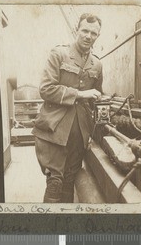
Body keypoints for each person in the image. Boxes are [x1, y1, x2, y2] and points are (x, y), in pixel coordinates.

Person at [32, 13, 103, 203]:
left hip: (80, 133)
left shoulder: (97, 64)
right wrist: (79, 94)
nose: (88, 36)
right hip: (54, 129)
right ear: (77, 30)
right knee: (55, 183)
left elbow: (96, 98)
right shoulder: (59, 54)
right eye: (85, 31)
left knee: (69, 182)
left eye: (94, 33)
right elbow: (46, 89)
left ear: (97, 36)